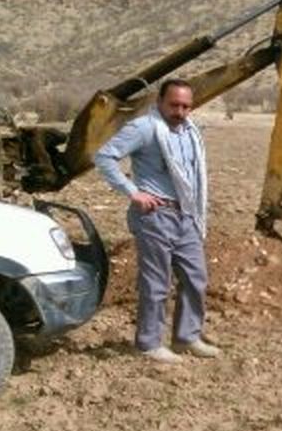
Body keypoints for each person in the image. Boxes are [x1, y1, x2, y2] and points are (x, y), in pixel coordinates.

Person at [94, 78, 220, 364]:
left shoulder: (190, 132)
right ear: (160, 102)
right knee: (157, 283)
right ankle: (149, 344)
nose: (180, 111)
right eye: (174, 105)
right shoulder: (145, 128)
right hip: (155, 216)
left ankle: (187, 337)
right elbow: (104, 156)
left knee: (195, 279)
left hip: (186, 215)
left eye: (186, 106)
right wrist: (133, 192)